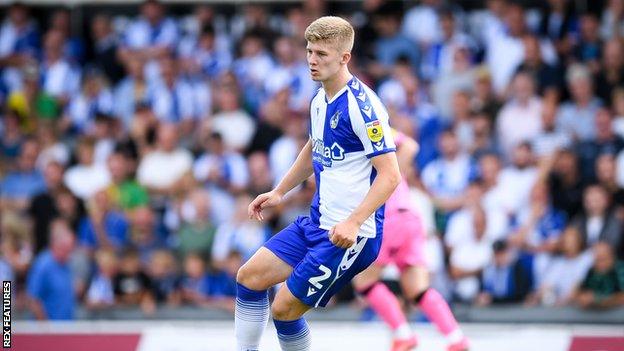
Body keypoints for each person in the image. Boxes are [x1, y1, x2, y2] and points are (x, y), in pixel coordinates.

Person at [235, 16, 401, 351]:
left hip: (350, 236)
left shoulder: (363, 107)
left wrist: (353, 222)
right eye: (310, 52)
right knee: (249, 278)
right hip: (317, 222)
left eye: (322, 54)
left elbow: (391, 175)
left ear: (344, 58)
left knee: (284, 309)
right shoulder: (319, 97)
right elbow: (315, 145)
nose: (312, 60)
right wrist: (280, 190)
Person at [352, 130, 469, 351]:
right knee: (418, 289)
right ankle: (456, 338)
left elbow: (410, 146)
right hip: (409, 217)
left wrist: (393, 176)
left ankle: (403, 334)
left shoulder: (360, 124)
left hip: (386, 217)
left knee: (364, 282)